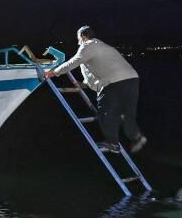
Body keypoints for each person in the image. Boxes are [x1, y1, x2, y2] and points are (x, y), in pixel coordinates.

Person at [44, 26, 147, 154]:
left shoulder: (88, 45)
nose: (78, 42)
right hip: (132, 79)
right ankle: (136, 136)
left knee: (105, 112)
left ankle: (112, 143)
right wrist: (85, 84)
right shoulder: (104, 47)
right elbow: (97, 71)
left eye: (78, 39)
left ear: (83, 36)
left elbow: (73, 62)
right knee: (126, 112)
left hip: (114, 82)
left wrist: (54, 72)